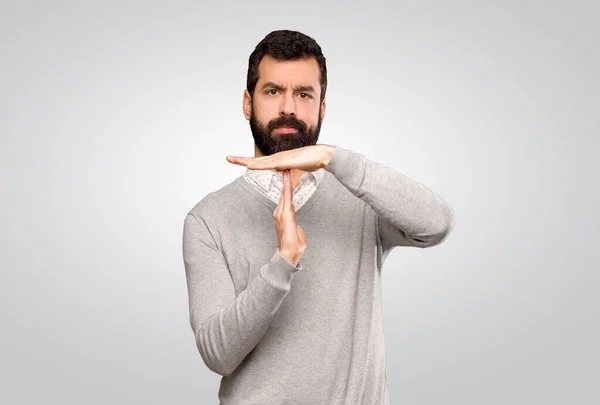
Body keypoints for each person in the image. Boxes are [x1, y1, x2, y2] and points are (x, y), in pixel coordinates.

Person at [182, 29, 456, 405]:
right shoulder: (207, 219)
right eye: (273, 91)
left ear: (322, 108)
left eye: (304, 94)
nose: (289, 108)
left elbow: (437, 224)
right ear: (248, 103)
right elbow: (217, 353)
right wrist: (282, 264)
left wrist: (334, 158)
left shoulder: (361, 199)